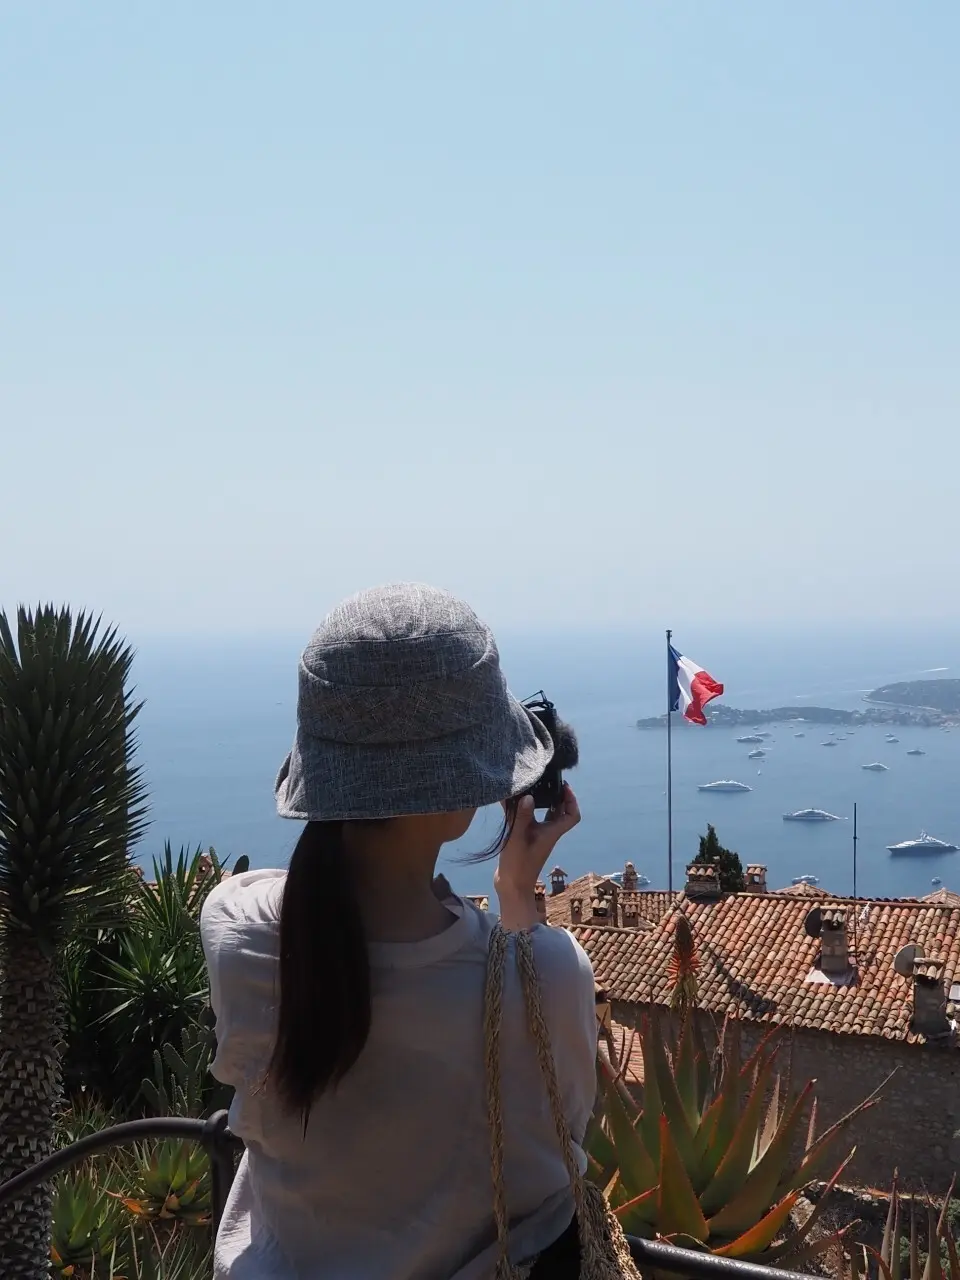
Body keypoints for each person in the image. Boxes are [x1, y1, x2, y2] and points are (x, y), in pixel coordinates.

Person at [200, 583, 599, 1280]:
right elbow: (559, 1140)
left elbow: (307, 903)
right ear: (466, 790)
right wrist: (515, 896)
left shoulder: (236, 935)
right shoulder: (547, 976)